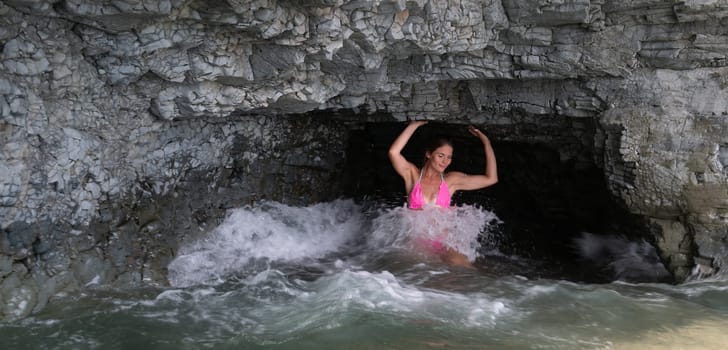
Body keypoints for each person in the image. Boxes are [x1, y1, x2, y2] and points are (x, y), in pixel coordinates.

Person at [388, 120, 498, 267]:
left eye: (449, 157)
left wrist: (487, 143)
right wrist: (413, 125)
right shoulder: (412, 175)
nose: (445, 161)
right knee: (420, 280)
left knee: (465, 271)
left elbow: (491, 179)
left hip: (443, 242)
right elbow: (393, 152)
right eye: (441, 155)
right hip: (416, 244)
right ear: (428, 154)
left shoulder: (451, 180)